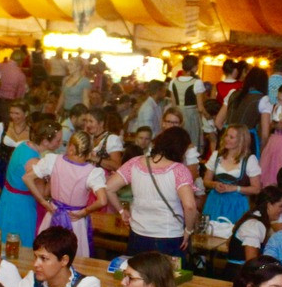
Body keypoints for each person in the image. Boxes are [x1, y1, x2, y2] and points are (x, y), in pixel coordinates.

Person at [106, 127, 198, 258]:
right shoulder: (180, 170)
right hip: (169, 235)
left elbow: (109, 188)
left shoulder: (135, 162)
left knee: (138, 275)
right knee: (166, 277)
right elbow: (190, 206)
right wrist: (188, 230)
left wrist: (121, 211)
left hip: (138, 233)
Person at [25, 131, 107, 258]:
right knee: (74, 257)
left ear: (71, 148)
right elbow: (102, 201)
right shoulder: (92, 172)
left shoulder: (53, 161)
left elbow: (27, 178)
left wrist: (42, 202)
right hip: (75, 219)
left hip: (54, 212)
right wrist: (84, 212)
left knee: (47, 253)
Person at [0, 120, 63, 247]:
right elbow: (42, 193)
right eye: (57, 140)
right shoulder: (33, 161)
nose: (60, 144)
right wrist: (53, 173)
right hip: (21, 206)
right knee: (21, 243)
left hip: (8, 198)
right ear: (45, 141)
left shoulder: (23, 146)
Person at [202, 124, 261, 224]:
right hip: (215, 202)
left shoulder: (249, 160)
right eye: (226, 135)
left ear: (241, 140)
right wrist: (214, 184)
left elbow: (256, 189)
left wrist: (235, 188)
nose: (227, 139)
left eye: (231, 137)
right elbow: (206, 181)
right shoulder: (217, 156)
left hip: (237, 205)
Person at [226, 186, 282, 281]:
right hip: (238, 278)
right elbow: (251, 263)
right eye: (281, 206)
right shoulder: (255, 225)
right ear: (269, 205)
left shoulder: (254, 218)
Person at [216, 68, 271, 157]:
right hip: (247, 141)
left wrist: (227, 135)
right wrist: (261, 150)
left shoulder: (233, 93)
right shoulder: (263, 99)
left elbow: (218, 121)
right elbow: (265, 134)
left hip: (226, 140)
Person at [0, 101, 31, 195]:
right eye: (11, 113)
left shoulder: (32, 132)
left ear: (26, 113)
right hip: (0, 172)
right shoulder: (1, 127)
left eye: (17, 113)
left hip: (21, 174)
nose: (13, 116)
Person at [169, 54, 206, 153]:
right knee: (191, 145)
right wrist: (208, 116)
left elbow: (173, 104)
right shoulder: (197, 82)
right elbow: (200, 108)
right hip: (191, 115)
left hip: (177, 115)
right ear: (194, 67)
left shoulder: (173, 82)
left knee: (178, 143)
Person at [86, 107, 125, 173]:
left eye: (91, 121)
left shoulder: (112, 139)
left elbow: (117, 166)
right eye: (86, 121)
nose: (87, 125)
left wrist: (95, 158)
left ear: (101, 123)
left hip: (105, 180)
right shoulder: (88, 137)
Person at [0, 47, 29, 119]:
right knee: (5, 125)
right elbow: (20, 94)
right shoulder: (20, 75)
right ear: (21, 60)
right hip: (9, 102)